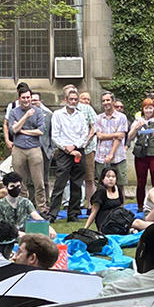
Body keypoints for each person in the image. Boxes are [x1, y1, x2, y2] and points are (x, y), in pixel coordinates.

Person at [50, 88, 89, 221]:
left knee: (77, 184)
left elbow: (85, 134)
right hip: (64, 152)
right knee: (60, 184)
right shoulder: (58, 114)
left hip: (78, 151)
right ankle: (53, 214)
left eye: (75, 99)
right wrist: (68, 149)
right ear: (65, 100)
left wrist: (75, 146)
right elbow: (55, 135)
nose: (73, 101)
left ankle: (73, 214)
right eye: (70, 99)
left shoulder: (81, 115)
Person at [8, 87, 48, 214]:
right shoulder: (14, 112)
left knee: (38, 181)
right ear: (19, 99)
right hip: (18, 148)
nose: (26, 100)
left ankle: (41, 208)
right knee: (20, 181)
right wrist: (25, 116)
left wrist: (23, 131)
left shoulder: (38, 112)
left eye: (28, 97)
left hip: (34, 148)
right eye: (23, 98)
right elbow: (13, 130)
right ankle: (23, 207)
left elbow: (40, 131)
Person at [85, 167, 153, 235]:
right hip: (106, 222)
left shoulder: (117, 189)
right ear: (103, 179)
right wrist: (85, 229)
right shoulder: (101, 191)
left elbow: (121, 207)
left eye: (113, 177)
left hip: (119, 218)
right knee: (137, 223)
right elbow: (93, 213)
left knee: (137, 222)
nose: (111, 179)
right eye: (108, 176)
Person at [0, 172, 55, 237]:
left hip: (25, 235)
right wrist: (16, 233)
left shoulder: (25, 202)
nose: (16, 189)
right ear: (6, 187)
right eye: (12, 186)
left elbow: (36, 216)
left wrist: (48, 227)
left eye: (18, 186)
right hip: (7, 236)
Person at [129, 98, 154, 206]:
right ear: (143, 109)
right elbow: (130, 137)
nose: (148, 111)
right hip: (141, 155)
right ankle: (140, 205)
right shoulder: (138, 120)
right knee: (141, 181)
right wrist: (136, 128)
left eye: (150, 108)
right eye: (146, 108)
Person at [92, 91, 128, 185]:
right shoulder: (98, 118)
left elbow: (120, 137)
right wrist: (115, 134)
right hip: (101, 156)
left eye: (108, 100)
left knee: (120, 185)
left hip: (118, 156)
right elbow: (99, 136)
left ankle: (120, 200)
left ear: (113, 101)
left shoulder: (121, 117)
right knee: (102, 184)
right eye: (103, 101)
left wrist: (111, 153)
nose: (105, 102)